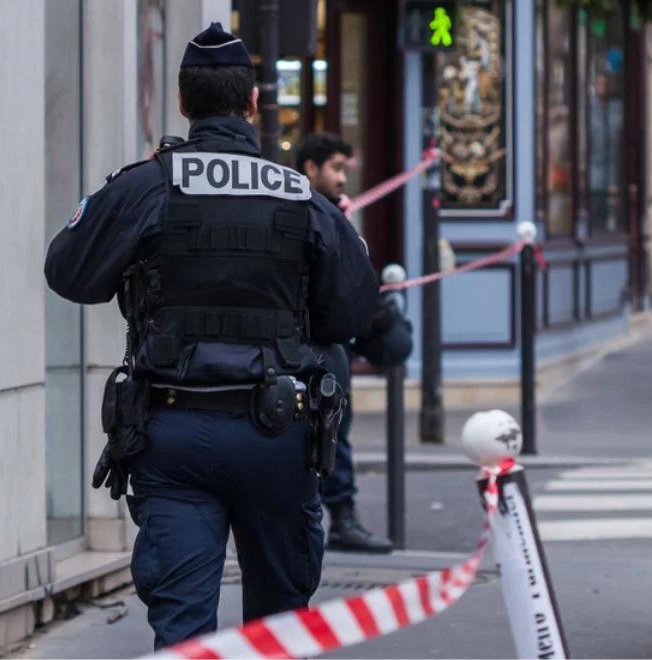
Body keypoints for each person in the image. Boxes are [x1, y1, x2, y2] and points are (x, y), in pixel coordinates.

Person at [43, 24, 379, 649]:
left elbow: (68, 272)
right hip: (278, 433)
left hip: (173, 437)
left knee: (184, 633)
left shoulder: (146, 186)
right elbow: (352, 315)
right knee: (278, 631)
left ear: (183, 104)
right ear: (253, 104)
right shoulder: (301, 196)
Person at [295, 132, 412, 554]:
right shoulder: (309, 213)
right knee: (327, 433)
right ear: (311, 168)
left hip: (323, 344)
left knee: (333, 431)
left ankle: (340, 516)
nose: (343, 178)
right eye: (336, 169)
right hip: (307, 348)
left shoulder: (334, 213)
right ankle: (338, 517)